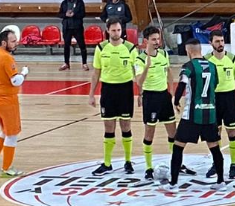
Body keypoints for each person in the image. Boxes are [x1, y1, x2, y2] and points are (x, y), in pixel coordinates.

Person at [162, 38, 225, 193]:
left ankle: (173, 183)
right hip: (210, 113)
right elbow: (215, 84)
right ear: (200, 50)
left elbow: (182, 84)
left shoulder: (188, 66)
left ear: (188, 51)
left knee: (178, 147)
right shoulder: (212, 66)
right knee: (214, 148)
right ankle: (221, 181)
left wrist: (176, 100)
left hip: (192, 114)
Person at [135, 26, 195, 181]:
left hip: (164, 96)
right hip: (150, 97)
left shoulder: (163, 54)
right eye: (154, 39)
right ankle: (148, 167)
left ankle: (177, 163)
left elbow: (169, 74)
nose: (157, 42)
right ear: (146, 41)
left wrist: (172, 94)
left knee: (173, 133)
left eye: (158, 39)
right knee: (149, 133)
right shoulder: (139, 59)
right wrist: (147, 67)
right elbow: (139, 82)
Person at [89, 19, 137, 176]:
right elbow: (96, 72)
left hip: (125, 90)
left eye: (119, 30)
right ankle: (107, 163)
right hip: (108, 90)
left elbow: (138, 72)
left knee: (126, 125)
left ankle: (128, 161)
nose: (117, 33)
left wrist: (142, 93)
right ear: (108, 31)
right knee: (108, 126)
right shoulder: (101, 48)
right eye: (114, 30)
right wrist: (91, 94)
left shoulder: (130, 48)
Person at [204, 30, 235, 179]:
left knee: (232, 132)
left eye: (222, 41)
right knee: (214, 134)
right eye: (217, 41)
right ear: (210, 43)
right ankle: (216, 163)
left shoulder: (232, 59)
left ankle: (234, 164)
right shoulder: (206, 60)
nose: (220, 44)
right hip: (212, 99)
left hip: (229, 98)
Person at [0, 30, 29, 178]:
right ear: (4, 42)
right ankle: (6, 168)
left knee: (4, 130)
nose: (16, 43)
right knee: (12, 134)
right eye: (13, 41)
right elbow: (15, 80)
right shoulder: (6, 57)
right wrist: (24, 73)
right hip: (7, 100)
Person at [58, 0, 89, 71]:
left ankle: (84, 63)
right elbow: (60, 14)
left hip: (77, 27)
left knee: (82, 46)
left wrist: (74, 14)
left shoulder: (80, 2)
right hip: (67, 27)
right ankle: (66, 63)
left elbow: (83, 14)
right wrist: (65, 15)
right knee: (66, 46)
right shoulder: (64, 3)